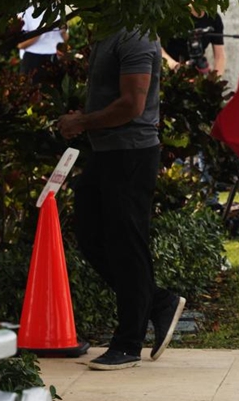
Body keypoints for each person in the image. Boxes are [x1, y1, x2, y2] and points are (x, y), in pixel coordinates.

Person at [57, 28, 186, 370]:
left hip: (131, 153)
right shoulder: (107, 35)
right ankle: (159, 301)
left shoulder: (136, 37)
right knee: (90, 236)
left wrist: (82, 122)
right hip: (106, 152)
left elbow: (133, 104)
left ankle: (128, 342)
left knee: (126, 243)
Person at [162, 5, 226, 76]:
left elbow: (219, 56)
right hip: (168, 71)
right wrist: (174, 66)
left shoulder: (214, 18)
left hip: (197, 72)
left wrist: (214, 81)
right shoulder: (174, 13)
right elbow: (157, 47)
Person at [18, 5, 68, 86]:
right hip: (33, 58)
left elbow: (65, 38)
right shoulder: (26, 11)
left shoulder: (58, 9)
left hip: (54, 57)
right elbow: (20, 45)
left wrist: (63, 30)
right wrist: (42, 31)